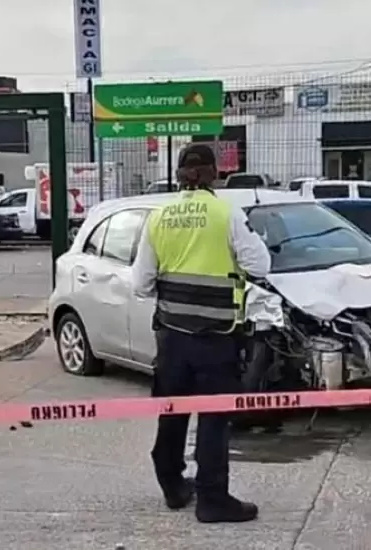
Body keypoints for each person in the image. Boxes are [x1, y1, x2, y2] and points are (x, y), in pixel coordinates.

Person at [131, 144, 271, 523]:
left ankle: (173, 486)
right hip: (216, 336)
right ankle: (212, 499)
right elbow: (260, 264)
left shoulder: (159, 215)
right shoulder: (226, 213)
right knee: (213, 417)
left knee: (172, 411)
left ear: (179, 176)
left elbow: (141, 284)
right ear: (213, 174)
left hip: (172, 337)